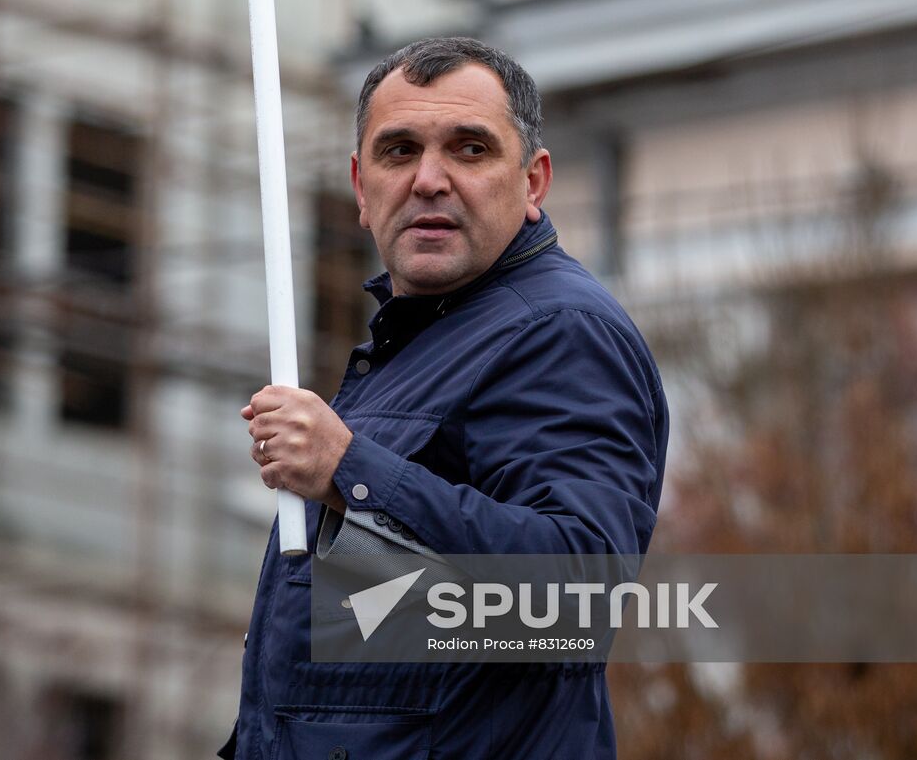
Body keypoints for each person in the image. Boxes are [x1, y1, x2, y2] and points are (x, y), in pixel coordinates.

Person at [219, 37, 669, 760]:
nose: (429, 179)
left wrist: (350, 468)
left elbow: (576, 597)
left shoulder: (557, 332)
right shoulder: (421, 340)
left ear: (533, 182)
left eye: (469, 149)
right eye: (399, 151)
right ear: (362, 191)